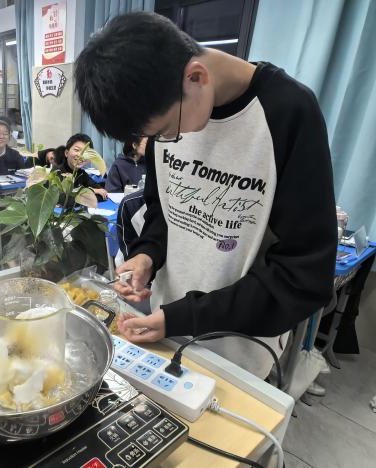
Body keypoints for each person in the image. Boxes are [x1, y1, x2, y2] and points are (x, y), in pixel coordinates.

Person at [74, 12, 337, 378]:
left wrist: (184, 316)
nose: (163, 142)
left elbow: (302, 276)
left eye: (167, 131)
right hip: (163, 330)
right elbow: (162, 211)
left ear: (196, 77)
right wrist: (147, 255)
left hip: (239, 352)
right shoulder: (167, 113)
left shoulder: (288, 114)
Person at [57, 134, 108, 201]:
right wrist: (92, 191)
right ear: (66, 153)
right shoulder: (57, 173)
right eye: (77, 150)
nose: (81, 155)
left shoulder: (81, 173)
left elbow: (101, 192)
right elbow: (65, 201)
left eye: (85, 152)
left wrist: (85, 194)